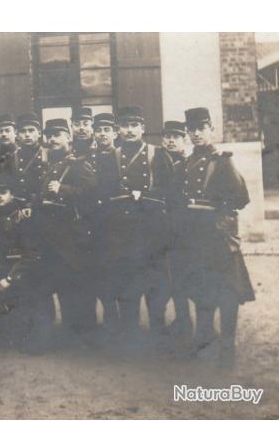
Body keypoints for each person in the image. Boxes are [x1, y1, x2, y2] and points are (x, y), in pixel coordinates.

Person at [179, 107, 255, 366]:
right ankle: (203, 339)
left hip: (218, 236)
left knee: (227, 292)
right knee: (202, 289)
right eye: (191, 129)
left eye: (201, 128)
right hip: (195, 237)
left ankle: (227, 346)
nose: (196, 134)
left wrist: (220, 215)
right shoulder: (187, 161)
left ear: (211, 130)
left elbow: (241, 198)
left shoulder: (223, 160)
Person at [106, 105, 174, 340]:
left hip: (152, 229)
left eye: (134, 125)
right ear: (118, 130)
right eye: (125, 126)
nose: (129, 130)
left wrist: (144, 197)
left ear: (143, 128)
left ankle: (158, 332)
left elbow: (169, 189)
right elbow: (104, 192)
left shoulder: (158, 153)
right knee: (127, 283)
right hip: (122, 231)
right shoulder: (111, 156)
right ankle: (130, 335)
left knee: (156, 284)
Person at [32, 117, 96, 347]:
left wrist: (63, 189)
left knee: (74, 285)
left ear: (68, 137)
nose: (52, 139)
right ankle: (55, 334)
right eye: (49, 135)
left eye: (57, 134)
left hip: (71, 235)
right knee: (52, 282)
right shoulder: (49, 165)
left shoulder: (78, 164)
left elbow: (91, 194)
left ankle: (82, 335)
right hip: (49, 235)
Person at [0, 172, 43, 350]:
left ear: (12, 194)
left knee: (24, 303)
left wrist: (10, 278)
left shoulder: (23, 218)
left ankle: (24, 335)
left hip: (20, 271)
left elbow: (31, 255)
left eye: (4, 192)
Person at [89, 113, 122, 332]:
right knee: (97, 273)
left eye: (107, 130)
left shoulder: (119, 157)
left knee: (116, 271)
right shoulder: (89, 157)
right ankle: (105, 322)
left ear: (115, 133)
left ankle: (118, 324)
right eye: (99, 130)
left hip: (116, 223)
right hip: (93, 222)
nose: (102, 134)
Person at [161, 120, 193, 341]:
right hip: (163, 228)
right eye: (168, 137)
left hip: (185, 229)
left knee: (183, 277)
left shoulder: (190, 163)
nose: (171, 141)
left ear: (184, 139)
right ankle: (174, 322)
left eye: (176, 137)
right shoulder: (159, 161)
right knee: (166, 277)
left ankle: (186, 322)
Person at [13, 112, 48, 211]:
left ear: (39, 133)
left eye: (31, 130)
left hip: (42, 209)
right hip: (18, 208)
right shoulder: (11, 158)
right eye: (23, 131)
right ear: (17, 134)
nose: (27, 134)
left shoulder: (48, 155)